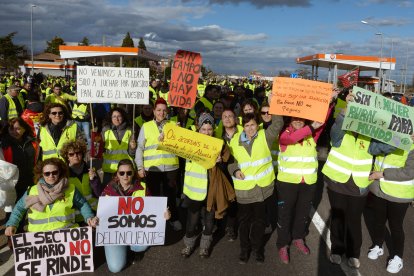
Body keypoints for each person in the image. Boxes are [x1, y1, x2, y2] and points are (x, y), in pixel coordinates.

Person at [321, 91, 395, 268]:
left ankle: (353, 254)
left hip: (359, 186)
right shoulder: (341, 133)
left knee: (354, 221)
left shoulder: (368, 138)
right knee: (338, 219)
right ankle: (337, 250)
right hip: (337, 183)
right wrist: (347, 108)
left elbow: (386, 146)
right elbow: (335, 129)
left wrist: (404, 139)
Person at [228, 94, 284, 264]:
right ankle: (244, 250)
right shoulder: (235, 140)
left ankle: (257, 249)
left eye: (253, 125)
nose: (250, 128)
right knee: (244, 224)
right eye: (247, 125)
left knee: (259, 223)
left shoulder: (265, 136)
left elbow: (278, 123)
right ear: (242, 127)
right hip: (244, 191)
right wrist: (235, 170)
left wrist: (274, 104)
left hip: (262, 190)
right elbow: (231, 161)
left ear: (256, 125)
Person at [180, 113, 235, 258]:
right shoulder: (189, 143)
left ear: (213, 129)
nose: (206, 132)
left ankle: (204, 247)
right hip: (194, 191)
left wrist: (220, 162)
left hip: (211, 191)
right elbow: (174, 149)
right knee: (192, 222)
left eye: (209, 129)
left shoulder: (219, 144)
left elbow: (225, 167)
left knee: (209, 221)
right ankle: (188, 245)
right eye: (204, 129)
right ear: (198, 128)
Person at [100, 159, 169, 273]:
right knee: (115, 268)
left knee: (142, 245)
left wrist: (163, 215)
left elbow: (152, 210)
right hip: (115, 235)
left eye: (129, 173)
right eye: (122, 173)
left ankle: (134, 250)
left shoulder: (143, 187)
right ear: (117, 174)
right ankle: (120, 250)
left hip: (135, 231)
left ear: (133, 173)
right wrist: (97, 219)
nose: (125, 176)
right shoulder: (109, 189)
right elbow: (102, 213)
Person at [4, 158, 98, 235]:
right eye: (47, 173)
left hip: (67, 237)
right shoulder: (32, 190)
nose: (51, 176)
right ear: (42, 175)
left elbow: (82, 205)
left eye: (54, 172)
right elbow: (19, 209)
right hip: (39, 241)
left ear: (60, 172)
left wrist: (89, 217)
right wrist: (12, 224)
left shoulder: (71, 189)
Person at [366, 139, 414, 273]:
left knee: (396, 226)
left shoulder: (412, 146)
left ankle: (398, 257)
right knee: (378, 221)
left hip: (399, 194)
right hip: (379, 190)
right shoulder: (387, 139)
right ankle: (377, 245)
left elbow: (409, 172)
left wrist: (381, 174)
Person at [135, 98, 182, 231]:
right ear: (154, 111)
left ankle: (173, 218)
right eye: (159, 110)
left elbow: (180, 147)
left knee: (171, 195)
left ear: (167, 112)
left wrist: (179, 133)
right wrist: (140, 166)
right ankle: (154, 221)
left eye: (164, 110)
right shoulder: (146, 126)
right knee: (153, 196)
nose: (161, 113)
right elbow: (140, 148)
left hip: (171, 167)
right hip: (152, 168)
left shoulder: (174, 125)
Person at [61, 140, 102, 223]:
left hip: (94, 214)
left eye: (78, 153)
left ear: (82, 154)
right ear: (67, 156)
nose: (75, 156)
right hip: (74, 217)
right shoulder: (64, 174)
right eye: (71, 154)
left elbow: (99, 193)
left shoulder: (91, 171)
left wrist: (94, 181)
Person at [1, 118, 39, 200]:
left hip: (31, 181)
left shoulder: (33, 143)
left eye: (18, 129)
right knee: (12, 210)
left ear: (24, 129)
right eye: (12, 129)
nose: (15, 132)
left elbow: (37, 160)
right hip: (12, 184)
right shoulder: (4, 145)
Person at [101, 107, 136, 185]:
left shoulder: (130, 131)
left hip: (125, 171)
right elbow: (100, 150)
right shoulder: (105, 130)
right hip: (109, 170)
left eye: (119, 116)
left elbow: (132, 153)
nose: (116, 119)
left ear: (123, 117)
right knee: (108, 195)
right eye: (114, 116)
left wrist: (133, 148)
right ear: (110, 118)